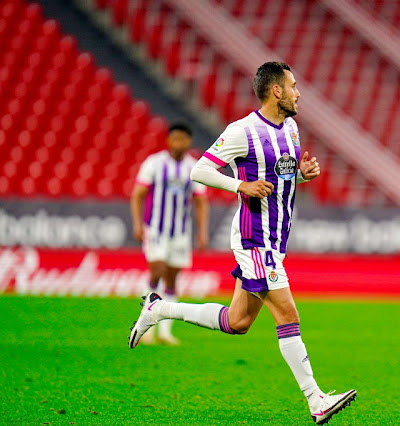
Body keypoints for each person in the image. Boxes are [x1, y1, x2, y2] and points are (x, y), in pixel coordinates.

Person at [128, 62, 356, 424]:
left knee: (238, 322)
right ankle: (316, 400)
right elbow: (199, 170)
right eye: (293, 86)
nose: (298, 92)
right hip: (254, 239)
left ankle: (159, 310)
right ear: (275, 91)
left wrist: (302, 174)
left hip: (275, 239)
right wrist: (240, 185)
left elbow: (281, 173)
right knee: (288, 315)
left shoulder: (292, 129)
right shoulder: (243, 131)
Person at [130, 121, 209, 345]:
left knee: (172, 278)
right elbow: (138, 194)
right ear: (168, 140)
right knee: (157, 270)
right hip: (156, 229)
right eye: (175, 138)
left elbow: (201, 201)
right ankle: (146, 325)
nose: (179, 143)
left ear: (188, 142)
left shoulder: (193, 168)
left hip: (180, 232)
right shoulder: (154, 163)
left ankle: (164, 331)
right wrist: (137, 224)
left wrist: (202, 231)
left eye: (183, 139)